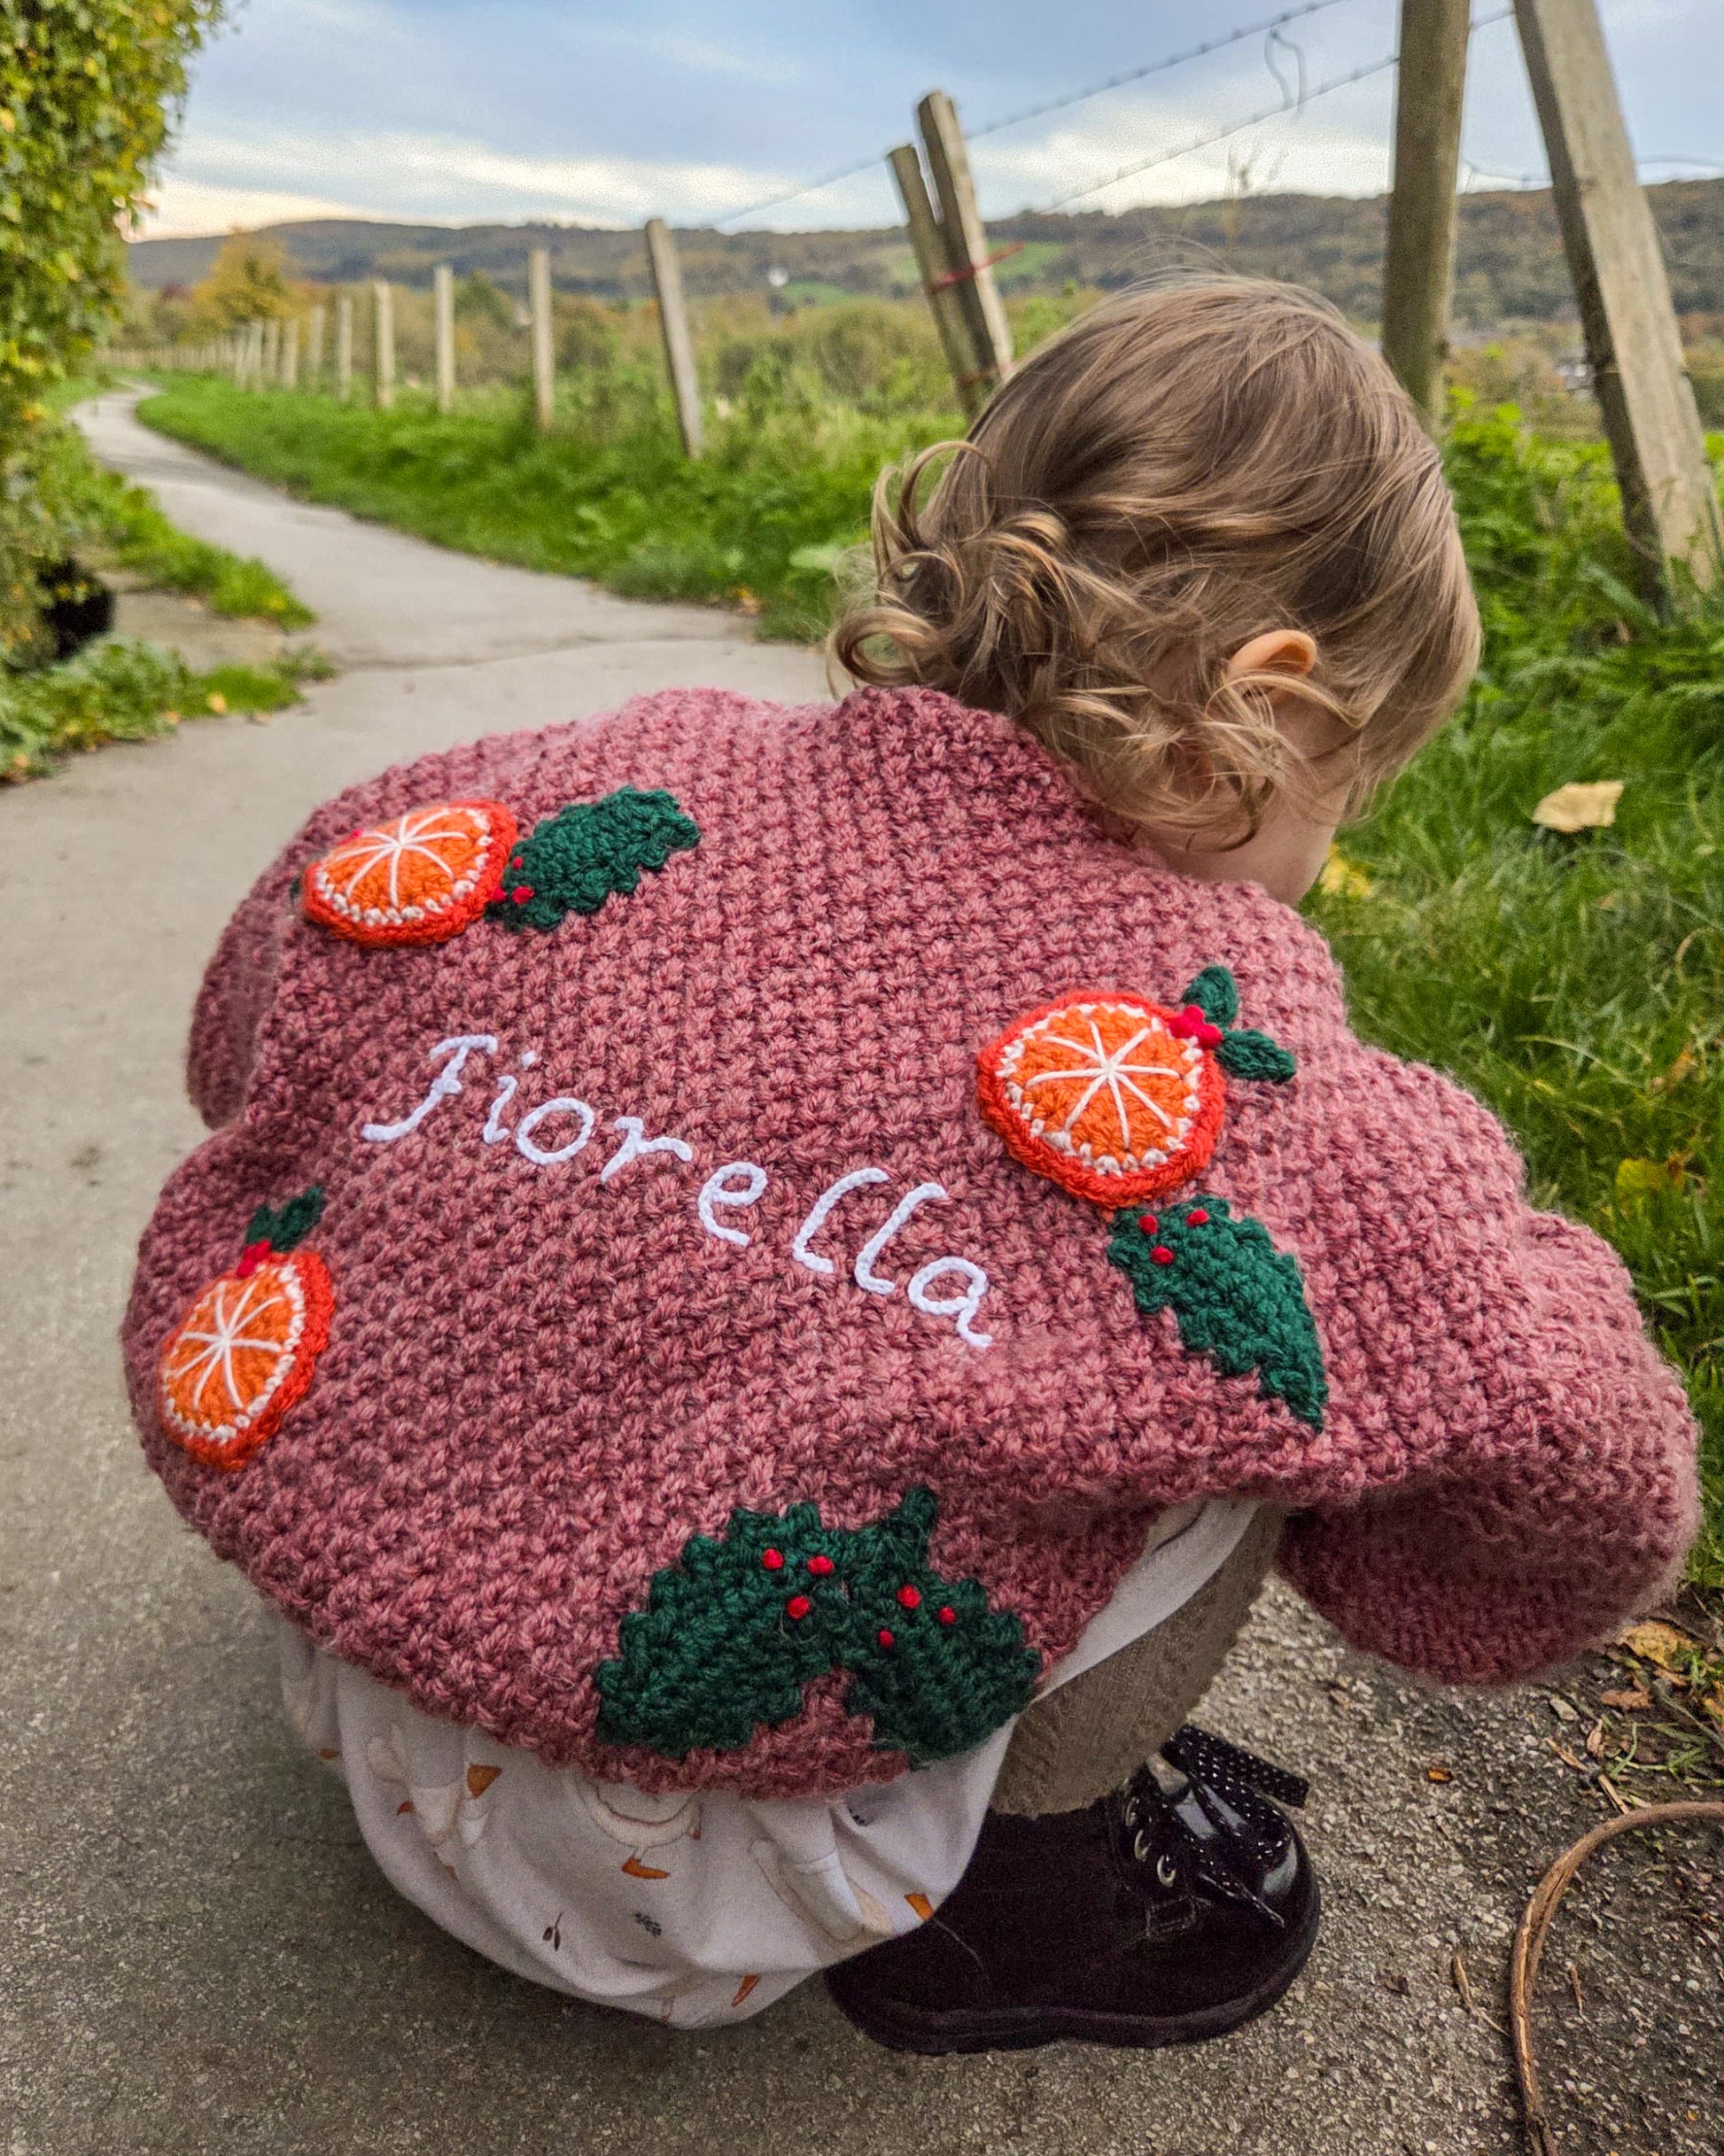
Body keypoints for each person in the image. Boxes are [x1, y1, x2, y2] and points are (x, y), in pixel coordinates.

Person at [123, 278, 1698, 2052]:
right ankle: (1022, 1887)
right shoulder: (1231, 1057)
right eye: (1349, 787)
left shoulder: (581, 774)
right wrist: (1457, 1390)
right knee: (1257, 1343)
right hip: (720, 1879)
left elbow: (243, 1046)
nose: (1327, 853)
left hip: (369, 1703)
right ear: (1268, 702)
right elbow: (1588, 1475)